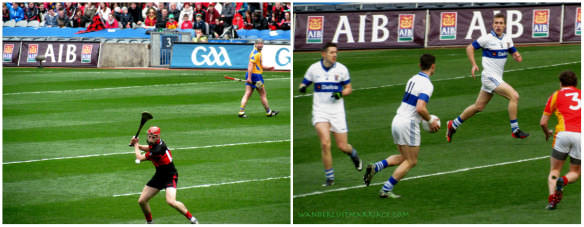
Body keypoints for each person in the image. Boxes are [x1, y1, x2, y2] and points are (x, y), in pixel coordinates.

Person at [363, 54, 439, 198]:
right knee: (412, 161)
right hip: (408, 124)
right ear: (433, 66)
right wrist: (430, 121)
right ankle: (386, 189)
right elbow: (420, 108)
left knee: (404, 157)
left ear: (419, 65)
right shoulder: (427, 84)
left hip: (397, 120)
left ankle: (376, 167)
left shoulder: (412, 78)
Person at [446, 13, 527, 142]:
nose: (498, 25)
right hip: (489, 77)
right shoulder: (487, 38)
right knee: (514, 96)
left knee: (478, 107)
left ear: (505, 25)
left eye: (501, 23)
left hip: (496, 78)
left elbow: (513, 51)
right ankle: (515, 130)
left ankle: (453, 124)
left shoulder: (507, 39)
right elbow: (469, 48)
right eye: (496, 23)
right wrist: (473, 64)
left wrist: (517, 56)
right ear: (493, 24)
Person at [298, 42, 363, 186]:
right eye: (331, 52)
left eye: (336, 52)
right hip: (320, 111)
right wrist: (302, 88)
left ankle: (353, 154)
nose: (334, 55)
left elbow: (349, 88)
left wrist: (340, 93)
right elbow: (304, 83)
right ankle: (330, 178)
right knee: (325, 143)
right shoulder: (314, 69)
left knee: (342, 146)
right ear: (323, 54)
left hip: (337, 112)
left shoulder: (342, 69)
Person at [130, 126, 199, 224]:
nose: (150, 139)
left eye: (153, 137)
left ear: (158, 137)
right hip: (159, 176)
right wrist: (138, 145)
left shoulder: (158, 149)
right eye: (149, 136)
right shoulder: (155, 143)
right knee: (142, 201)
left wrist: (136, 144)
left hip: (170, 176)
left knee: (171, 201)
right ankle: (150, 223)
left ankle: (192, 219)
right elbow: (148, 148)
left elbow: (139, 157)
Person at [540, 70, 581, 210]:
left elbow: (543, 122)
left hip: (562, 134)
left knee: (555, 169)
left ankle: (552, 200)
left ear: (561, 83)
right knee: (575, 172)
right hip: (580, 135)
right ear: (576, 83)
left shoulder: (556, 95)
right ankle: (563, 181)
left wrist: (547, 133)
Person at [238, 39, 279, 118]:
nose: (260, 45)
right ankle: (269, 112)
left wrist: (268, 68)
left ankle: (241, 112)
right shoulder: (256, 54)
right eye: (259, 44)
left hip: (252, 75)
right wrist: (250, 77)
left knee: (247, 93)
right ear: (255, 44)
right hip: (256, 77)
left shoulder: (257, 53)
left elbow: (259, 66)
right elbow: (250, 65)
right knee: (263, 94)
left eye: (262, 43)